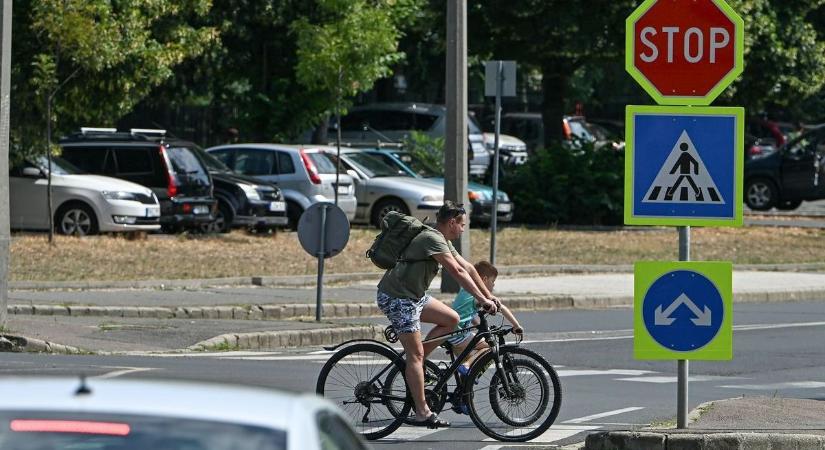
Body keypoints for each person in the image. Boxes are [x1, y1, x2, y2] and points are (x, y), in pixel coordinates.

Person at [376, 201, 499, 429]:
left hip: (414, 296)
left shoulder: (442, 239)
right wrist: (482, 300)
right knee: (415, 355)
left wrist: (488, 297)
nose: (463, 229)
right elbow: (457, 271)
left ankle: (418, 362)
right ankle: (423, 412)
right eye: (462, 224)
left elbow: (470, 268)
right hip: (397, 298)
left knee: (451, 319)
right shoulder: (432, 239)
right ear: (452, 222)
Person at [445, 260, 523, 414]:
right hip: (458, 334)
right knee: (489, 348)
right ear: (484, 279)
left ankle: (462, 401)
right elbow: (501, 307)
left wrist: (482, 325)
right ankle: (467, 367)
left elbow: (471, 316)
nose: (493, 286)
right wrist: (516, 325)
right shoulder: (476, 294)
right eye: (493, 281)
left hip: (453, 333)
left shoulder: (466, 291)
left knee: (468, 370)